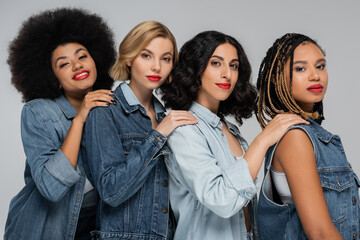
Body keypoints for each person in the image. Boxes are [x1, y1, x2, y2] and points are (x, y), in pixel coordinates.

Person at [160, 30, 308, 240]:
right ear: (195, 68)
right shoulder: (184, 129)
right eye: (216, 63)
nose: (227, 74)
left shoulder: (232, 133)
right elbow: (222, 199)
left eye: (234, 65)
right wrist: (264, 140)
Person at [4, 8, 116, 240]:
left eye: (82, 56)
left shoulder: (111, 106)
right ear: (51, 77)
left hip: (97, 223)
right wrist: (80, 118)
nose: (77, 66)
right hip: (46, 227)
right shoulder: (39, 112)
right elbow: (50, 188)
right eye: (64, 64)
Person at [82, 21, 197, 239]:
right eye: (146, 55)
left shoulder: (168, 117)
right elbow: (111, 191)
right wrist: (158, 136)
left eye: (166, 58)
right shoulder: (105, 111)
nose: (157, 67)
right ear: (128, 58)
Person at [256, 33, 360, 240]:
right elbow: (320, 233)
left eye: (320, 66)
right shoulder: (295, 136)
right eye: (300, 68)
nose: (315, 76)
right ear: (278, 79)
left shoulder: (314, 136)